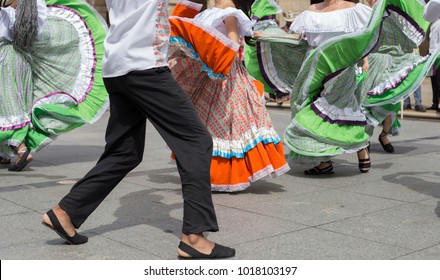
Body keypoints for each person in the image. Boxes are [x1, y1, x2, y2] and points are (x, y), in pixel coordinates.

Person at [41, 0, 235, 259]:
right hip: (145, 65)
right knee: (196, 142)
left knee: (124, 152)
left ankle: (66, 212)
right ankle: (194, 236)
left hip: (116, 67)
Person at [168, 0, 290, 192]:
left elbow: (232, 45)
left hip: (226, 78)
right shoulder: (208, 12)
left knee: (226, 125)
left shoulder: (229, 13)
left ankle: (225, 174)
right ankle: (207, 173)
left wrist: (213, 56)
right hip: (208, 73)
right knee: (205, 124)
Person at [0, 0, 109, 171]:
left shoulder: (6, 12)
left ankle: (21, 150)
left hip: (5, 60)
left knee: (8, 106)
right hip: (21, 59)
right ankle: (5, 154)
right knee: (19, 106)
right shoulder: (30, 9)